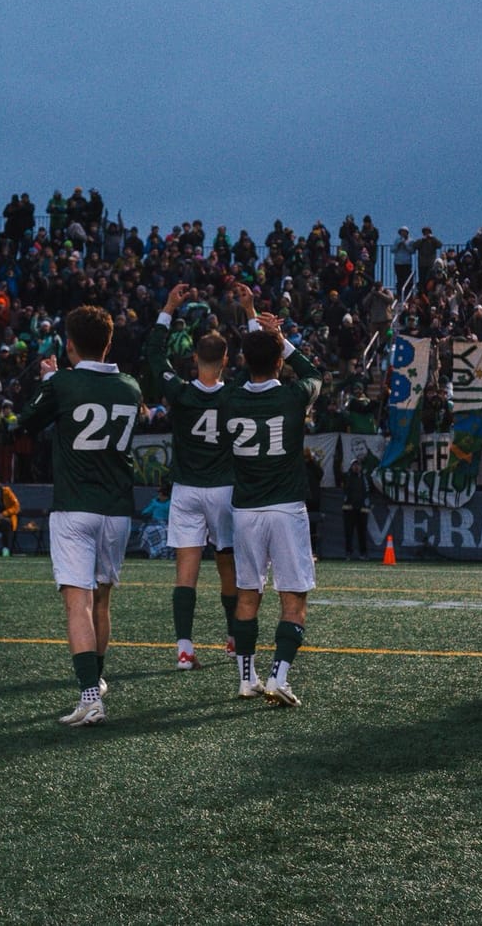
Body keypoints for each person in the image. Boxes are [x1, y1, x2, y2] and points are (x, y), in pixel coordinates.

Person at [17, 304, 144, 727]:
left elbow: (26, 422)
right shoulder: (130, 386)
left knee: (78, 603)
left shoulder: (63, 383)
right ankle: (97, 681)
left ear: (70, 344)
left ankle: (90, 697)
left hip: (75, 507)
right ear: (108, 343)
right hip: (117, 510)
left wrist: (49, 381)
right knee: (102, 600)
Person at [221, 287, 322, 706]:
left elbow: (251, 367)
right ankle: (278, 676)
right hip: (285, 508)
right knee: (293, 598)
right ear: (280, 361)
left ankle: (247, 679)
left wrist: (253, 320)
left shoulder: (230, 397)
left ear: (245, 361)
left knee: (248, 595)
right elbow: (313, 372)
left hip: (245, 511)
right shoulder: (293, 396)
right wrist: (282, 339)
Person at [147, 283, 239, 671]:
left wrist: (168, 308)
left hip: (186, 490)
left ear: (194, 358)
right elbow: (260, 363)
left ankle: (184, 649)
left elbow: (154, 356)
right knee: (227, 567)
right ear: (225, 360)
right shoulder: (233, 394)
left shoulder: (182, 393)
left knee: (186, 572)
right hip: (223, 489)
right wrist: (252, 316)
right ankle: (234, 639)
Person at [340, 457, 369, 558]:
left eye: (358, 465)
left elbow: (368, 491)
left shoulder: (365, 477)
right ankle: (348, 552)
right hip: (349, 509)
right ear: (351, 466)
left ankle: (363, 553)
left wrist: (366, 504)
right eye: (354, 465)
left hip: (362, 509)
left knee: (362, 532)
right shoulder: (346, 476)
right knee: (348, 532)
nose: (356, 467)